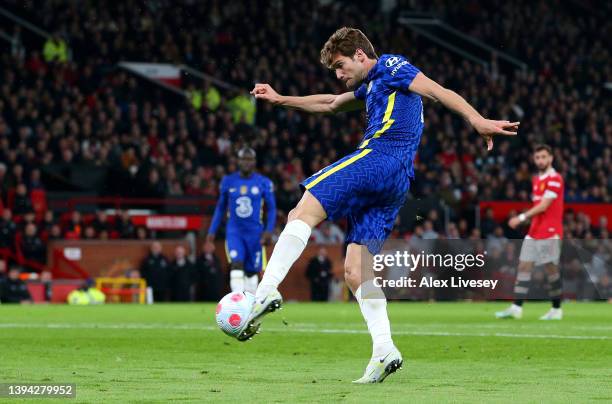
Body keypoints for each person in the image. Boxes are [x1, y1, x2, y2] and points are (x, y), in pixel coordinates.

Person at [245, 27, 518, 383]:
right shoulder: (373, 85)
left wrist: (476, 119)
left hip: (380, 157)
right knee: (356, 272)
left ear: (361, 55)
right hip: (396, 182)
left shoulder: (390, 65)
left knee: (302, 212)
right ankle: (384, 349)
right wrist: (281, 99)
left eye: (341, 66)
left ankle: (265, 291)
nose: (339, 75)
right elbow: (329, 103)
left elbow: (436, 91)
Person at [496, 145, 565, 320]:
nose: (540, 160)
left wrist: (520, 217)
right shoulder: (537, 179)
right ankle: (516, 308)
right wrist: (527, 220)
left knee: (551, 270)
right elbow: (538, 207)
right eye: (537, 157)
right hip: (534, 230)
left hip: (550, 231)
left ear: (551, 158)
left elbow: (544, 206)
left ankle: (556, 309)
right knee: (524, 267)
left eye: (543, 157)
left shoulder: (555, 178)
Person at [207, 147, 276, 294]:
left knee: (251, 272)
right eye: (243, 159)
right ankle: (237, 303)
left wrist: (268, 231)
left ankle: (250, 307)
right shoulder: (228, 181)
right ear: (238, 161)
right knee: (236, 264)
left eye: (249, 159)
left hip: (255, 233)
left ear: (254, 162)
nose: (246, 162)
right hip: (235, 231)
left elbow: (272, 209)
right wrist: (212, 230)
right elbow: (220, 208)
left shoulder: (263, 182)